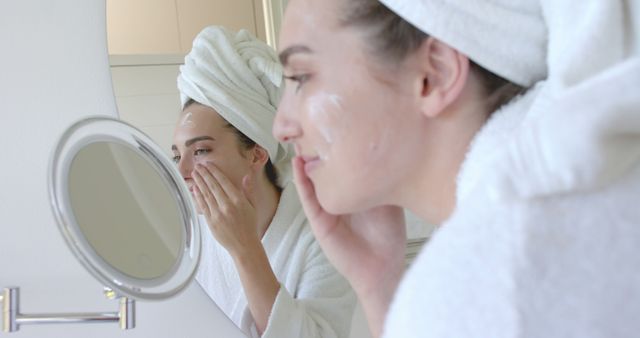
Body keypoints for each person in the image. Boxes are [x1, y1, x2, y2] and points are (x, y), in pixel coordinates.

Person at [273, 0, 640, 337]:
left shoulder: (484, 280)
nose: (281, 127)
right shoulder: (559, 213)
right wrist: (379, 286)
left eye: (301, 78)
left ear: (434, 75)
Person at [172, 25, 355, 338]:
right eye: (177, 156)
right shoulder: (192, 239)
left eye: (200, 150)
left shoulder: (322, 236)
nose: (183, 170)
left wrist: (245, 249)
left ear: (256, 154)